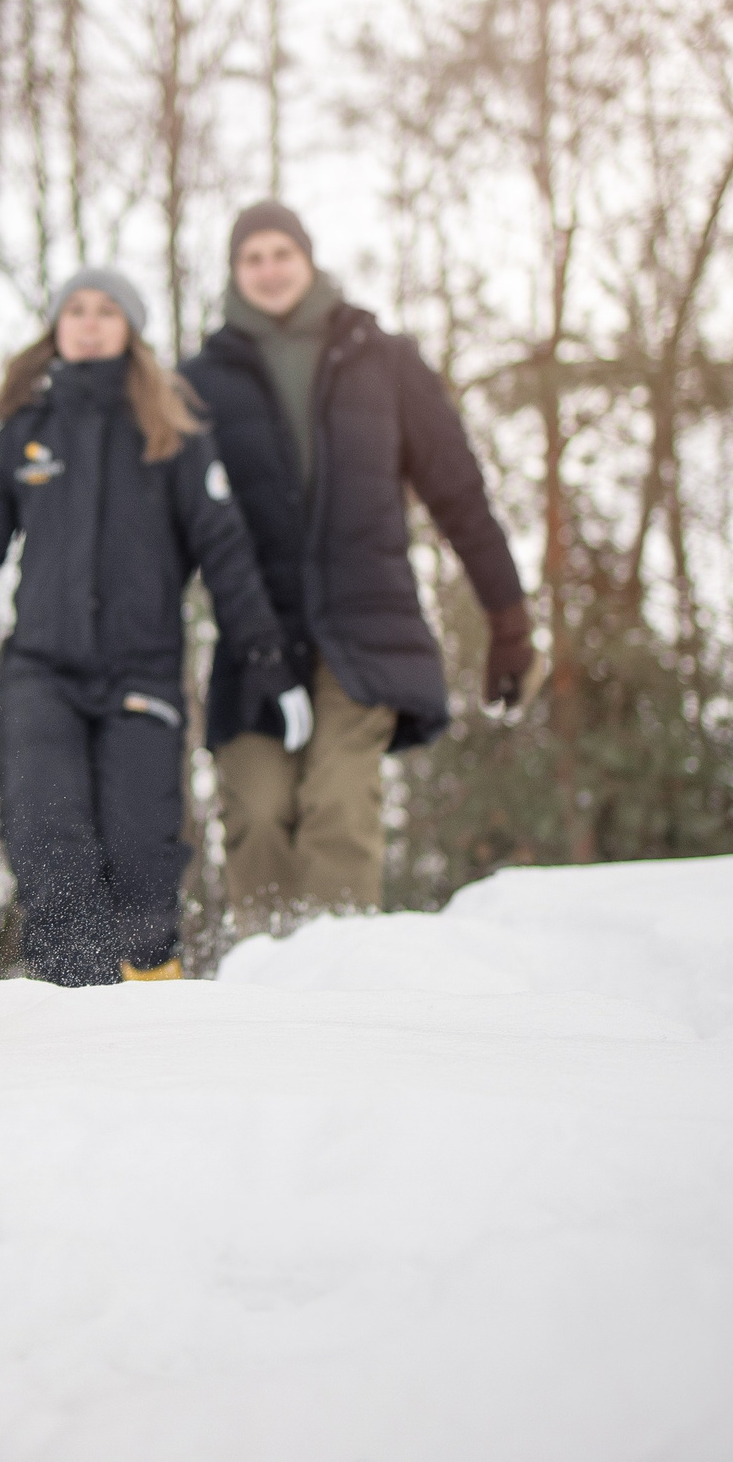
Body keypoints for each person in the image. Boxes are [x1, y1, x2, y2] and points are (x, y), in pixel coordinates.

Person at [181, 201, 543, 932]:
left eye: (282, 252)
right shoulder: (199, 381)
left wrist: (508, 620)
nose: (269, 269)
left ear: (309, 260)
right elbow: (167, 523)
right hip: (257, 636)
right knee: (256, 807)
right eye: (253, 257)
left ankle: (337, 992)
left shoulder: (384, 358)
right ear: (234, 272)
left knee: (338, 803)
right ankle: (268, 987)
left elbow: (459, 492)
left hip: (366, 626)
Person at [0, 268, 306, 985]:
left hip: (142, 674)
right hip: (41, 673)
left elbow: (226, 552)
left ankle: (148, 1002)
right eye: (74, 310)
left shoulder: (170, 432)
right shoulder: (27, 431)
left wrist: (270, 662)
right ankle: (69, 1004)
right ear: (56, 327)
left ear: (129, 330)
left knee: (141, 853)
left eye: (105, 311)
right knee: (49, 840)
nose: (87, 322)